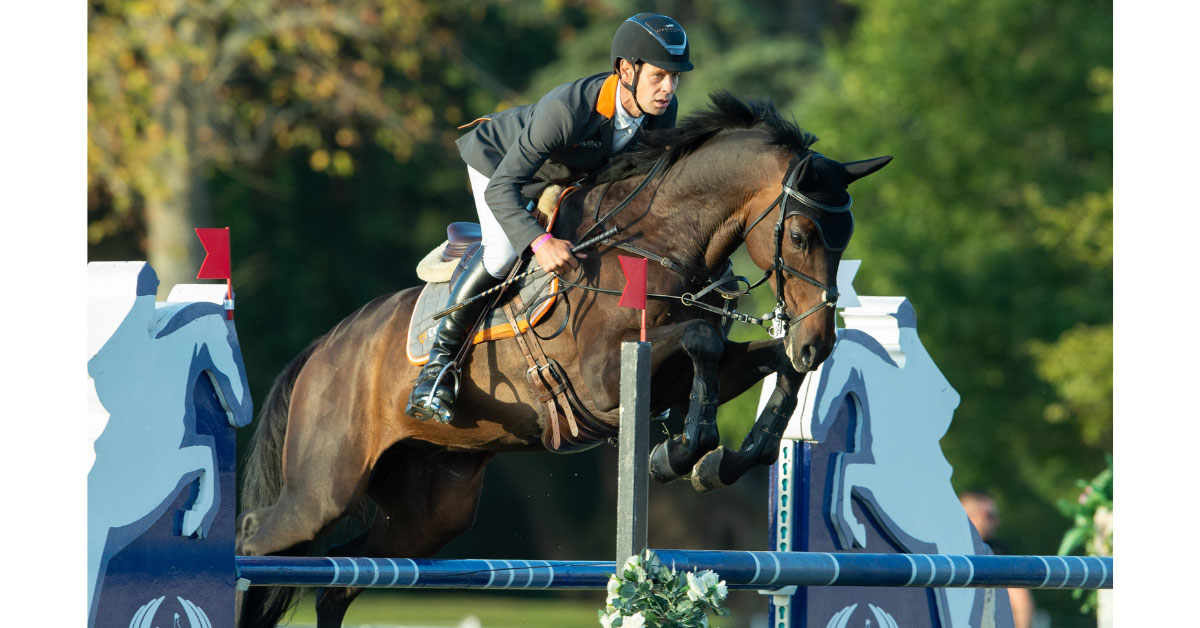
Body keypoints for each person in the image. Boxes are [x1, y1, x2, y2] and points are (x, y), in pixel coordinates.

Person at [406, 13, 694, 423]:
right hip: (499, 165)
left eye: (675, 78)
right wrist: (538, 242)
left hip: (563, 178)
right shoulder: (567, 110)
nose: (668, 89)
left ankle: (643, 360)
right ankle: (437, 370)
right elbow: (501, 188)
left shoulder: (661, 110)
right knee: (504, 254)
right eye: (660, 76)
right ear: (626, 70)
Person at [960, 490, 1035, 628]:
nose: (997, 521)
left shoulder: (997, 550)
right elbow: (1022, 604)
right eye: (989, 516)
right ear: (968, 515)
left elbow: (1022, 603)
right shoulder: (995, 551)